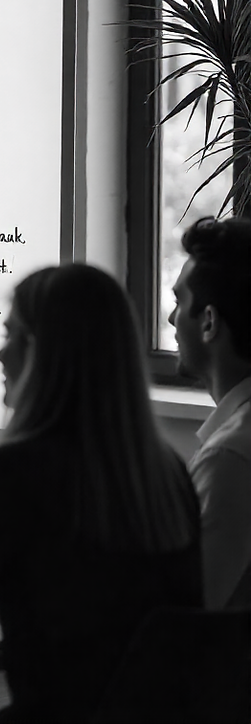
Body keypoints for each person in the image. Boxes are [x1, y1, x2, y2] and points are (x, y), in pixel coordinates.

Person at [0, 264, 202, 724]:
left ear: (44, 352)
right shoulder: (168, 474)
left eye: (12, 335)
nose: (0, 356)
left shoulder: (13, 473)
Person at [170, 215, 251, 610]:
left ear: (208, 322)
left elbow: (185, 615)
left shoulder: (231, 457)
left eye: (178, 302)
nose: (170, 319)